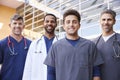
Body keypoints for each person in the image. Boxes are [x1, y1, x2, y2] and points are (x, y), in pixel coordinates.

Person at [44, 9, 104, 80]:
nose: (71, 25)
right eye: (68, 22)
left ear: (79, 25)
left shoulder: (90, 45)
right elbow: (51, 72)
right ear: (64, 26)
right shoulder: (55, 46)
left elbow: (96, 71)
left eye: (74, 22)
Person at [22, 13, 58, 80]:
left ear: (56, 24)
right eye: (47, 21)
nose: (49, 23)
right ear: (43, 24)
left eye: (52, 21)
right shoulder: (34, 44)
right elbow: (28, 68)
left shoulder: (61, 44)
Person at [0, 14, 31, 80]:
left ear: (23, 26)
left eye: (20, 23)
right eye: (14, 23)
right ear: (10, 25)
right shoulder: (2, 44)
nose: (17, 26)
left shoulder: (30, 44)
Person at [93, 9, 120, 80]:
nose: (106, 22)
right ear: (100, 21)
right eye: (103, 19)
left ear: (114, 21)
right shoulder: (94, 43)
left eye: (109, 20)